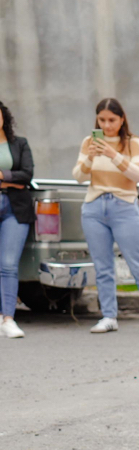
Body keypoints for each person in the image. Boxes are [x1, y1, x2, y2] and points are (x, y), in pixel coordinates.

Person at [74, 98, 139, 335]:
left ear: (122, 119)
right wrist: (90, 158)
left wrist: (113, 154)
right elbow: (79, 177)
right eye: (102, 120)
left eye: (112, 120)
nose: (106, 125)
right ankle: (108, 316)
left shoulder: (133, 143)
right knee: (103, 266)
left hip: (124, 206)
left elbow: (137, 174)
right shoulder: (89, 142)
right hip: (94, 207)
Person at [1, 100, 35, 339]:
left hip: (15, 209)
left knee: (8, 265)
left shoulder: (19, 143)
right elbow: (20, 177)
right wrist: (13, 180)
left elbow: (28, 174)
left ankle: (8, 318)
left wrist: (3, 176)